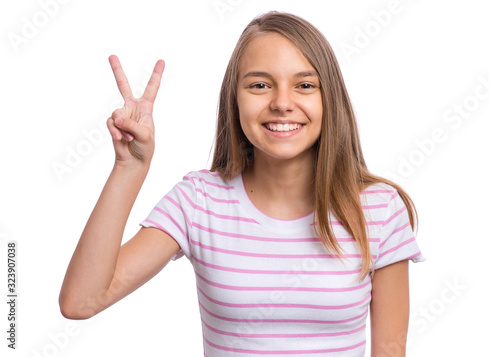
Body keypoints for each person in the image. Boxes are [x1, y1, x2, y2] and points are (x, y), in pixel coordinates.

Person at [59, 11, 424, 356]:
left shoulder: (378, 208)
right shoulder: (199, 201)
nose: (282, 103)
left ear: (330, 98)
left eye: (305, 85)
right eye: (260, 85)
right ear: (235, 100)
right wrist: (130, 167)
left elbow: (390, 352)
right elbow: (81, 301)